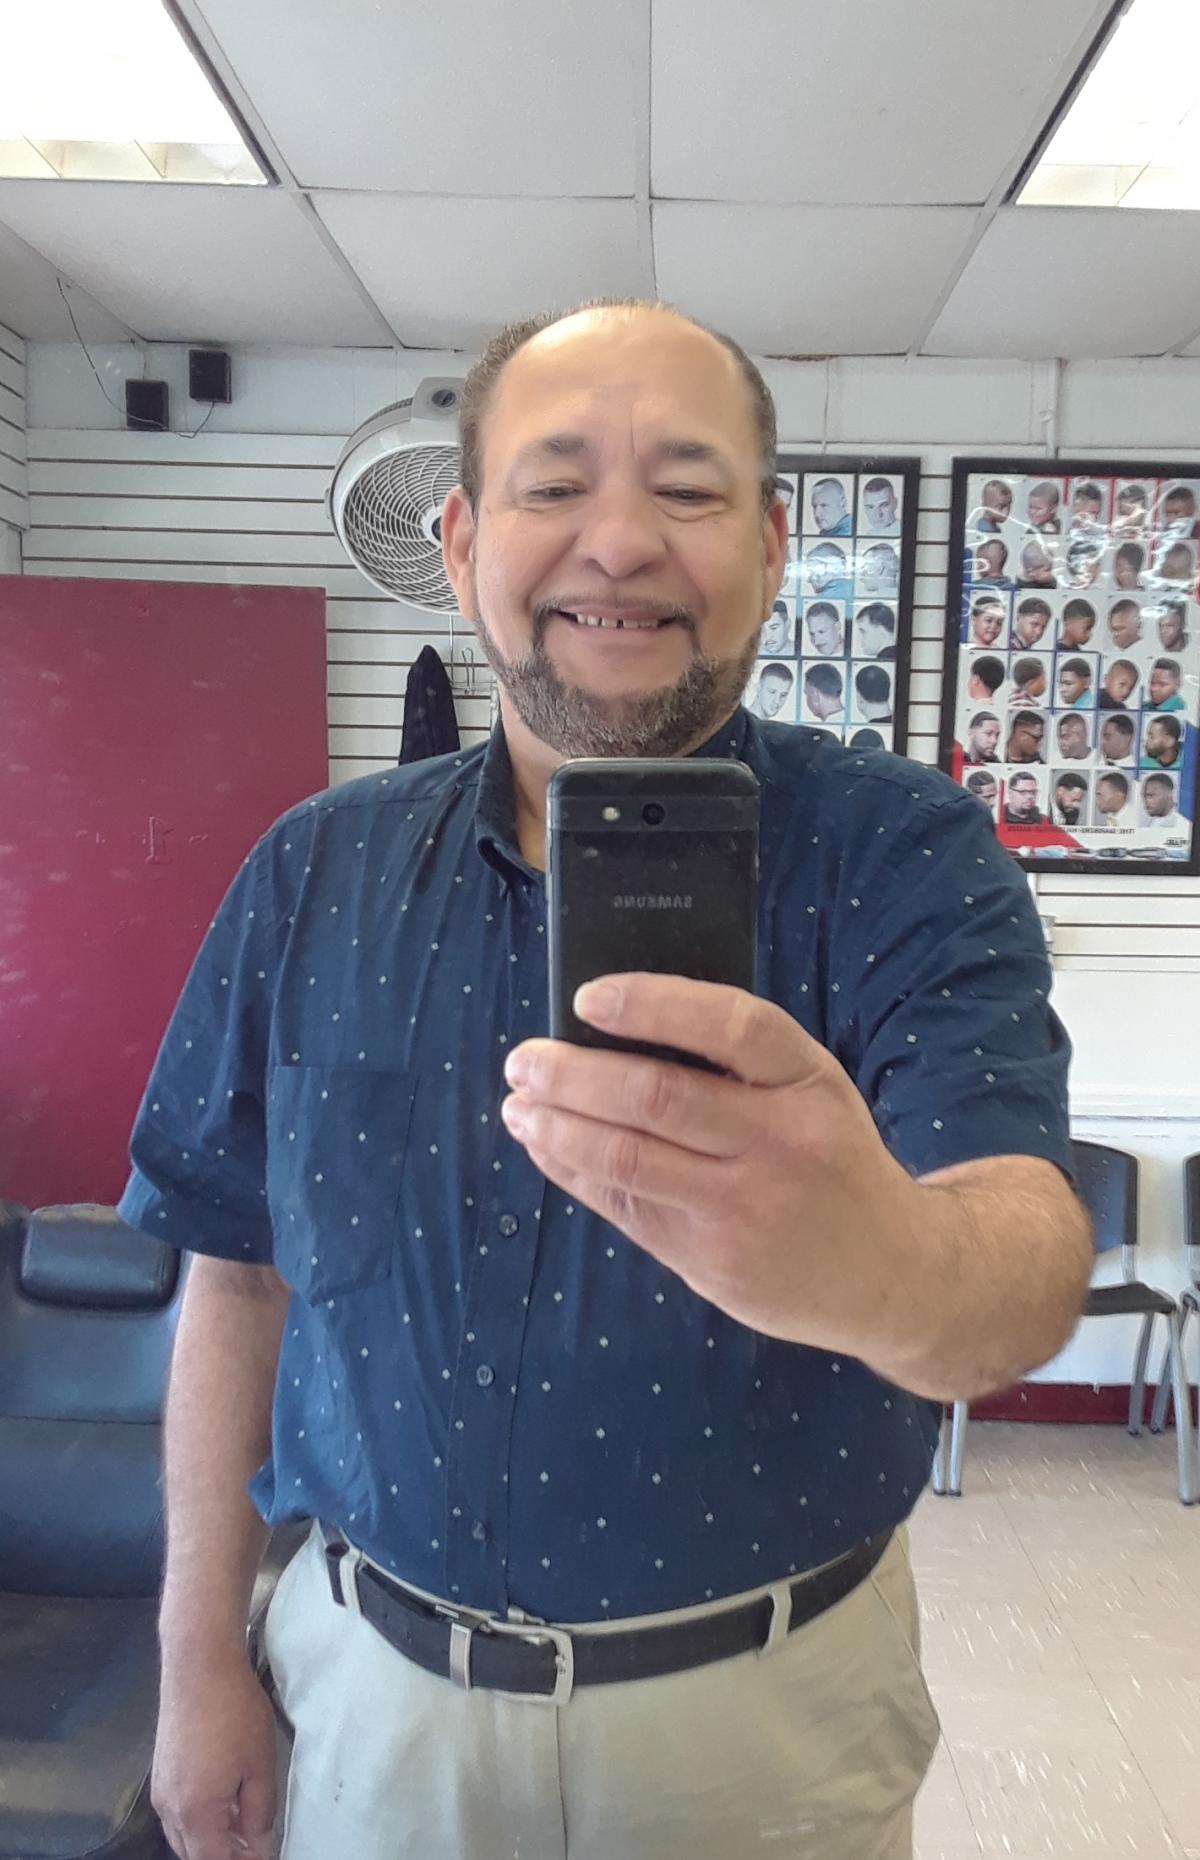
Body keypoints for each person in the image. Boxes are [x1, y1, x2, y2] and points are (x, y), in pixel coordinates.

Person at [129, 297, 1087, 1860]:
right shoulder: (309, 876)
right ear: (460, 543)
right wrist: (193, 1666)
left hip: (764, 1735)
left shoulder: (907, 856)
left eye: (688, 490)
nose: (622, 542)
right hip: (370, 1705)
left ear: (771, 548)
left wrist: (882, 1262)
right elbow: (233, 1278)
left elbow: (1024, 1266)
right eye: (556, 484)